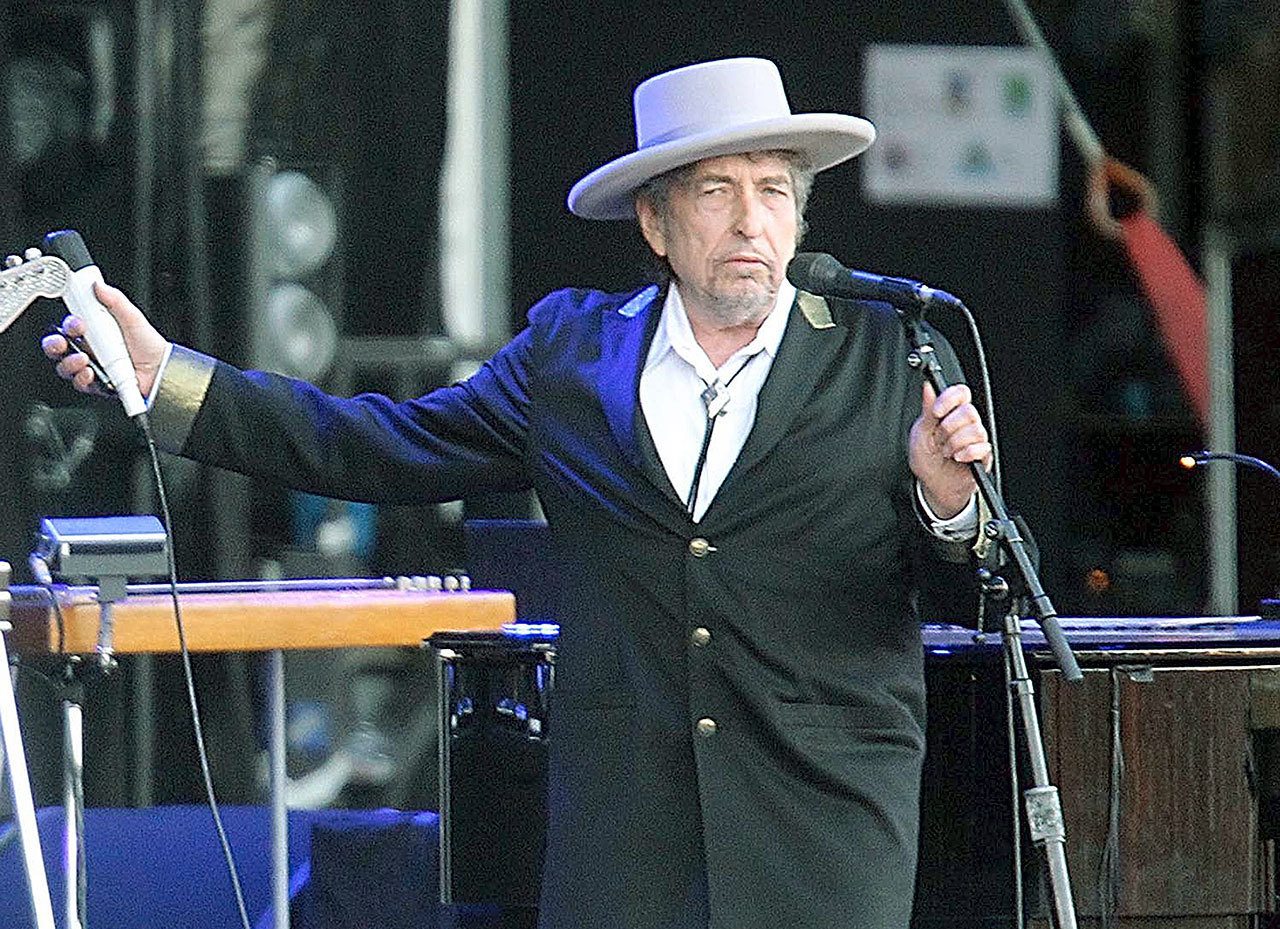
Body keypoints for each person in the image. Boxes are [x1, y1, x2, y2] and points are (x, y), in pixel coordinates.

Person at [45, 57, 991, 929]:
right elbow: (376, 445)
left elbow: (978, 595)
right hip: (626, 847)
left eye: (774, 192)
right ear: (655, 223)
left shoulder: (887, 351)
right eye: (717, 191)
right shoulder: (574, 354)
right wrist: (168, 375)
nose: (752, 222)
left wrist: (949, 505)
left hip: (822, 832)